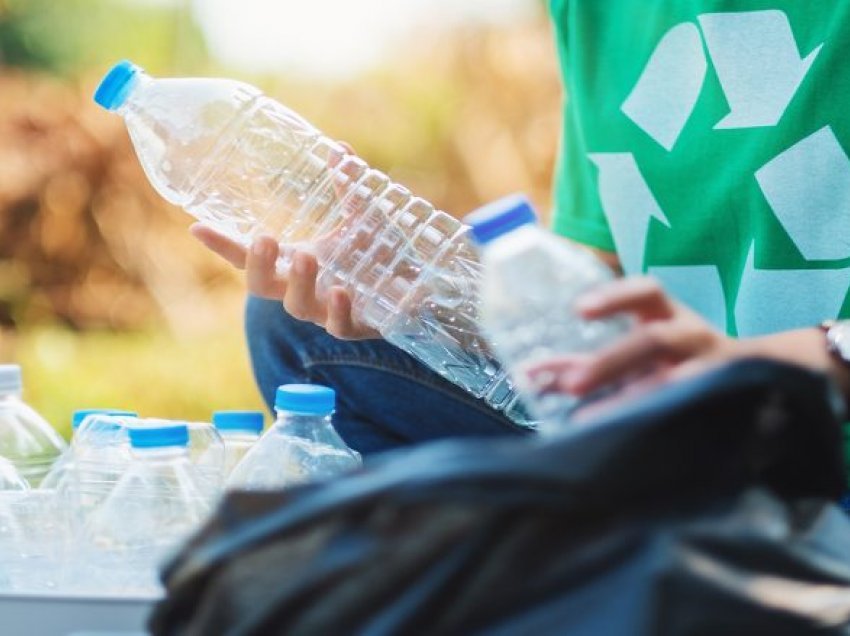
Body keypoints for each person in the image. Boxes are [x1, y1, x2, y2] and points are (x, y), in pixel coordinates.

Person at [191, 2, 850, 475]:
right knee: (301, 331)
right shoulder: (597, 12)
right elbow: (599, 286)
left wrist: (808, 360)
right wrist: (433, 306)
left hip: (824, 443)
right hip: (676, 445)